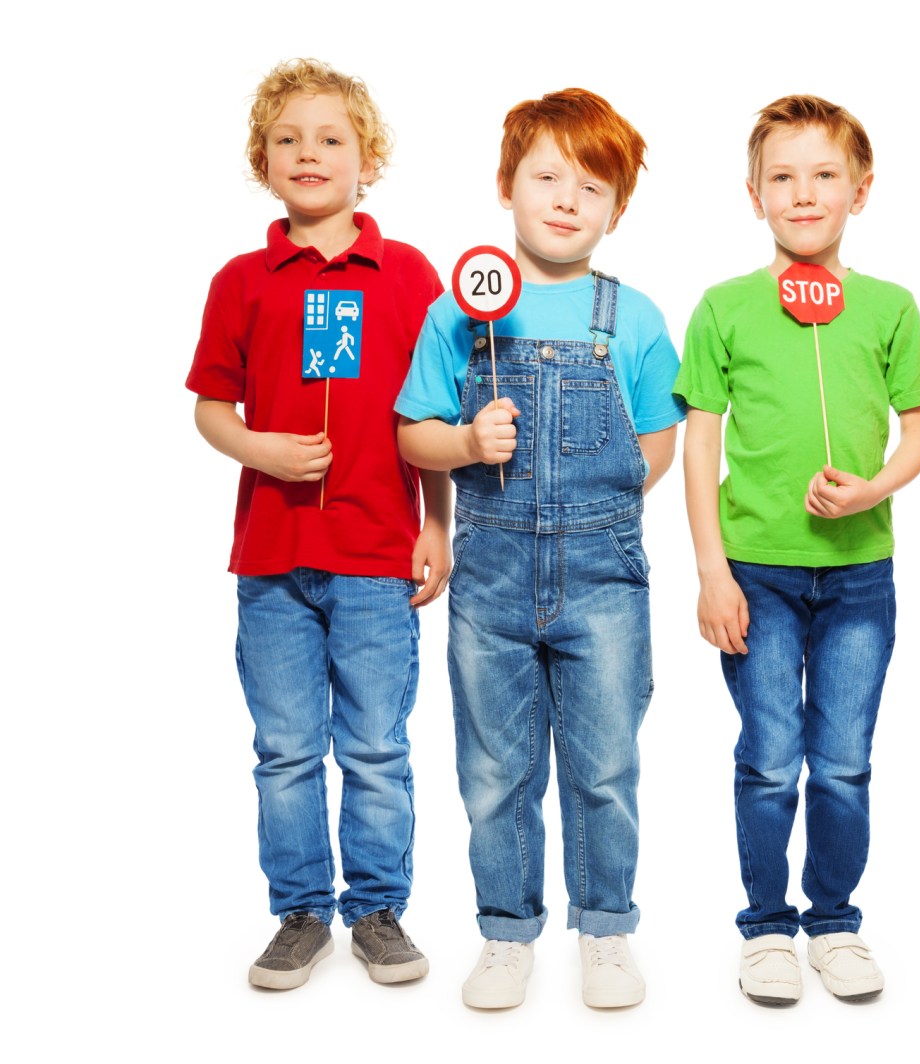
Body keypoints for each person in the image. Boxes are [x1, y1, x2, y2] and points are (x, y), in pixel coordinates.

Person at [396, 88, 683, 1011]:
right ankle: (506, 932)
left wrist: (598, 500)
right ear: (505, 185)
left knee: (604, 764)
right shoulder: (461, 311)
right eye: (546, 176)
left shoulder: (630, 315)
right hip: (490, 571)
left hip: (604, 575)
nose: (566, 199)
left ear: (618, 209)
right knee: (496, 767)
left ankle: (605, 930)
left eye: (592, 186)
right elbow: (414, 433)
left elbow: (657, 436)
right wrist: (467, 445)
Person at [675, 94, 920, 1005]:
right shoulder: (723, 308)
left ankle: (833, 921)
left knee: (842, 758)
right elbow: (701, 442)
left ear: (860, 190)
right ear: (753, 194)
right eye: (782, 177)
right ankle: (765, 929)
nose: (803, 192)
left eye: (824, 174)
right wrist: (712, 570)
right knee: (768, 753)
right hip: (756, 570)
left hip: (860, 575)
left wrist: (873, 487)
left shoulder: (890, 308)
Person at [187, 59, 449, 990]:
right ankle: (300, 911)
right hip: (273, 560)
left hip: (379, 554)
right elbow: (211, 408)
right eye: (289, 139)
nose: (310, 153)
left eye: (332, 138)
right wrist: (261, 449)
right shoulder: (242, 281)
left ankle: (377, 909)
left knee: (376, 745)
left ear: (367, 158)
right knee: (286, 748)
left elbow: (432, 411)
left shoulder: (410, 274)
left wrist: (439, 525)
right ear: (262, 162)